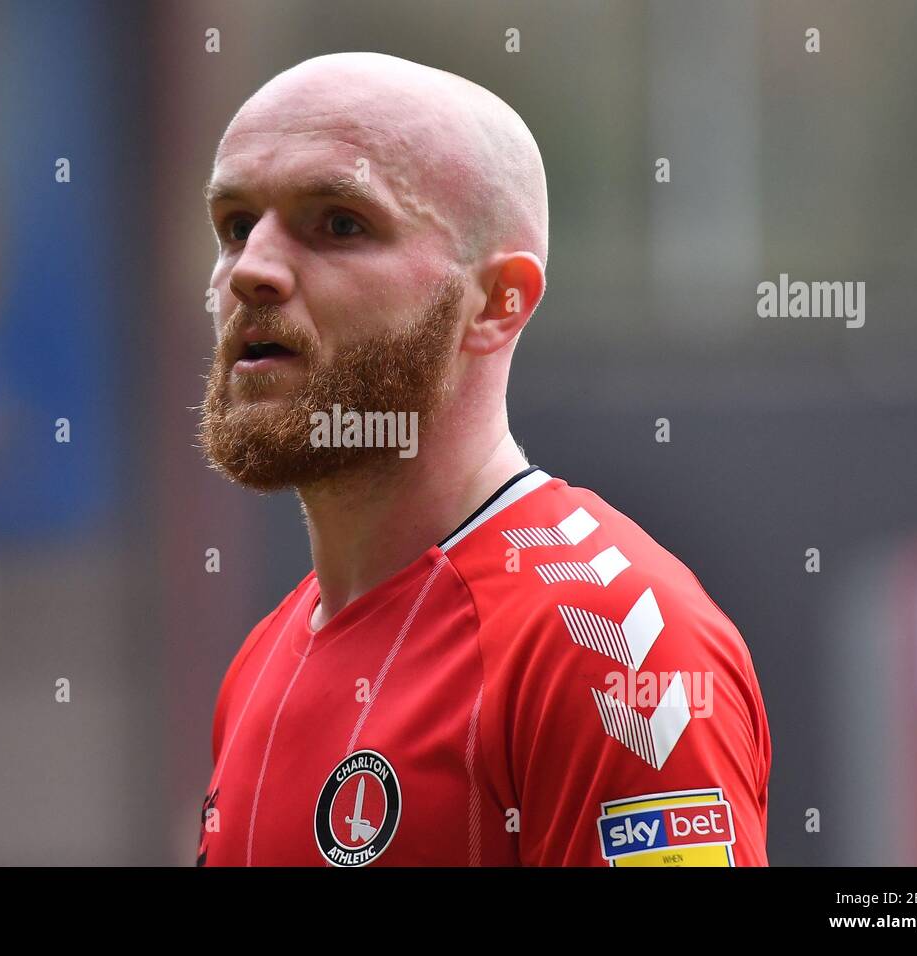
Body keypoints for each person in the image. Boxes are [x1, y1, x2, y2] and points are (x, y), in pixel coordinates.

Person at [195, 52, 770, 866]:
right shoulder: (262, 659)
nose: (251, 269)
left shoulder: (612, 650)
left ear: (498, 303)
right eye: (235, 225)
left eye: (340, 224)